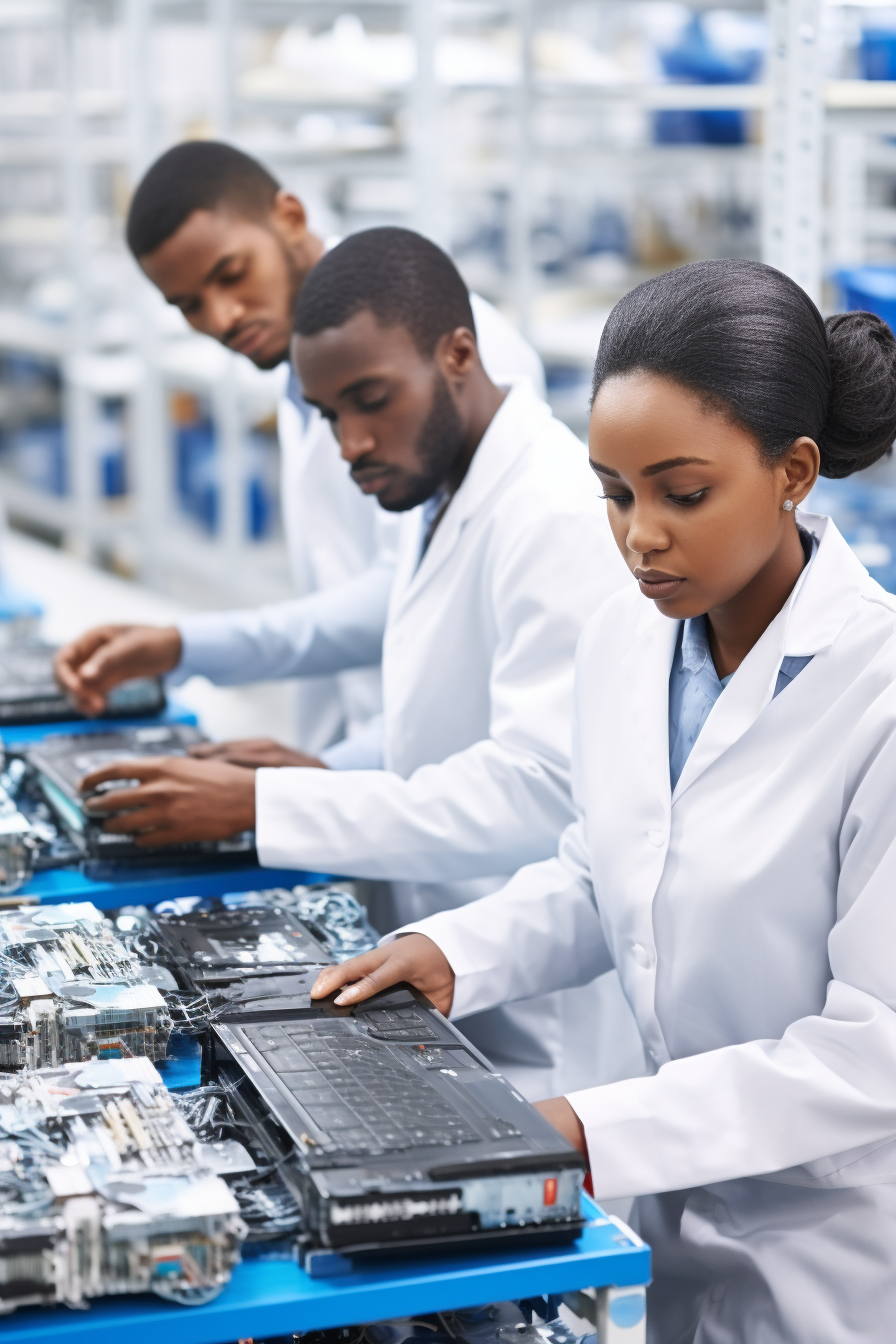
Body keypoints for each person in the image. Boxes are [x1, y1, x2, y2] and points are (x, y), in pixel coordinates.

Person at [309, 259, 896, 1342]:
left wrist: (578, 1127)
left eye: (681, 494)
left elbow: (870, 1052)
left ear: (792, 472)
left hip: (838, 1254)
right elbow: (606, 871)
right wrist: (453, 950)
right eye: (614, 495)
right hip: (659, 1221)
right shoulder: (627, 642)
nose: (639, 536)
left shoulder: (877, 697)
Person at [57, 228, 638, 1100]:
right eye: (330, 416)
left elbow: (539, 794)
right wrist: (321, 768)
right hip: (440, 956)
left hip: (531, 1012)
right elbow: (446, 711)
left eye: (371, 401)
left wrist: (270, 804)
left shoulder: (553, 514)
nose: (350, 443)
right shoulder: (447, 484)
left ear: (459, 353)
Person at [122, 139, 545, 759]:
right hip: (374, 779)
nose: (221, 316)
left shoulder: (453, 354)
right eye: (189, 305)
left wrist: (191, 648)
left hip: (445, 790)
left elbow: (410, 591)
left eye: (231, 273)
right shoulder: (306, 372)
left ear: (290, 218)